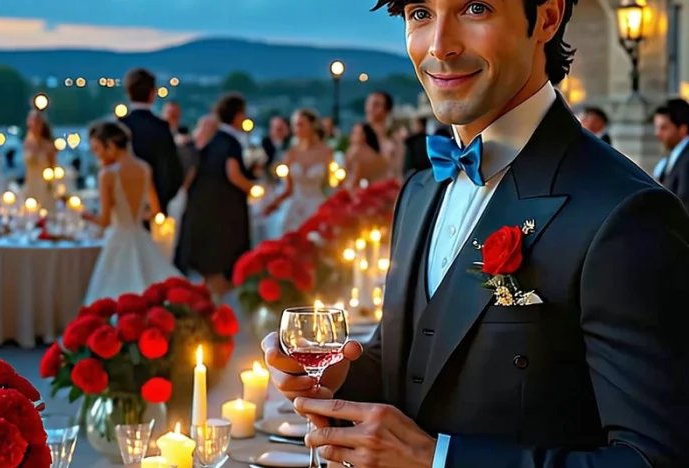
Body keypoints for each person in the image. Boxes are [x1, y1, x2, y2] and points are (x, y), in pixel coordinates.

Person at [263, 0, 689, 466]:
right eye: (420, 14)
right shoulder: (421, 189)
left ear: (546, 17)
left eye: (475, 8)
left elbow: (654, 459)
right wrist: (341, 374)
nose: (440, 47)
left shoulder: (626, 214)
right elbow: (415, 365)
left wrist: (440, 461)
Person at [82, 120, 182, 304]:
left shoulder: (108, 174)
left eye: (97, 149)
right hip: (141, 236)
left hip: (119, 239)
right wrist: (135, 217)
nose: (97, 155)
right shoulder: (144, 168)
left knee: (112, 294)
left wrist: (84, 214)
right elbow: (154, 209)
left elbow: (105, 221)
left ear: (110, 145)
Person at [178, 93, 256, 296]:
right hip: (224, 212)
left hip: (201, 208)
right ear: (238, 116)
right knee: (224, 265)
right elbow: (233, 174)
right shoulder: (230, 142)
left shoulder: (209, 139)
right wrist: (253, 189)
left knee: (208, 269)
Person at [119, 68, 183, 219]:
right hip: (156, 209)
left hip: (124, 203)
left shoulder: (119, 127)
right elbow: (172, 171)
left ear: (128, 93)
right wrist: (161, 201)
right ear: (153, 93)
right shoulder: (161, 128)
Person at [263, 109, 332, 235]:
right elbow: (288, 188)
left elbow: (329, 185)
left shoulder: (326, 152)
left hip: (316, 203)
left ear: (312, 125)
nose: (296, 129)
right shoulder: (291, 153)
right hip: (295, 206)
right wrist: (274, 203)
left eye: (300, 124)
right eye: (294, 125)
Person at [652, 99, 689, 208]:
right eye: (656, 128)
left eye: (664, 128)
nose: (657, 134)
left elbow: (684, 203)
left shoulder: (686, 160)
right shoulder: (672, 157)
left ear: (682, 129)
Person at [21, 109, 57, 210]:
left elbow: (53, 166)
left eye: (37, 121)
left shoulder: (48, 145)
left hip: (44, 186)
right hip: (30, 184)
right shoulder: (27, 143)